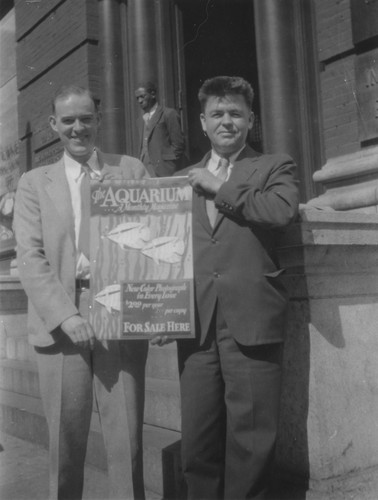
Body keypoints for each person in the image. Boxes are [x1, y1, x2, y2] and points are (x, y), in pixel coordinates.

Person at [13, 85, 149, 500]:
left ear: (99, 121)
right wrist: (66, 315)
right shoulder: (35, 183)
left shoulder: (131, 170)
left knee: (126, 440)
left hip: (120, 315)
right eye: (68, 120)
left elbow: (157, 236)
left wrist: (162, 307)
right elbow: (30, 258)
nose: (78, 128)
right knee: (66, 442)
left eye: (86, 118)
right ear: (54, 126)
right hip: (60, 322)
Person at [176, 76, 299, 499]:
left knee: (250, 446)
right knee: (197, 442)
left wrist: (221, 188)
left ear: (251, 119)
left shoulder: (273, 166)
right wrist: (154, 311)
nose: (226, 122)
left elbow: (281, 211)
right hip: (196, 324)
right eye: (217, 114)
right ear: (202, 123)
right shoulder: (181, 180)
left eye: (235, 114)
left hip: (250, 319)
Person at [135, 81, 186, 177]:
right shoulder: (140, 121)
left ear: (153, 94)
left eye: (142, 96)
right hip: (144, 172)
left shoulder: (168, 114)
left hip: (164, 171)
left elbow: (179, 145)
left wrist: (167, 162)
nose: (139, 101)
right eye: (137, 98)